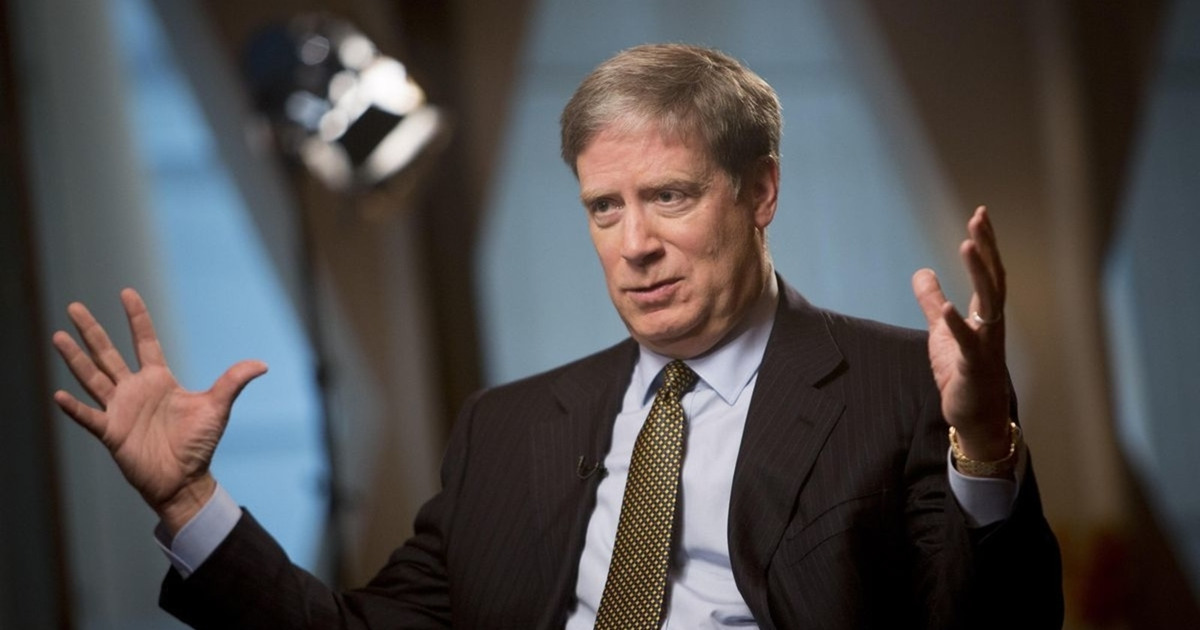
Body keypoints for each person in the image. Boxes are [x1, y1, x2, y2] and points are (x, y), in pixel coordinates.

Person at [52, 44, 1062, 628]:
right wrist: (188, 502)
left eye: (669, 196)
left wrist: (983, 447)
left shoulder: (900, 382)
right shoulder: (505, 429)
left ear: (761, 193)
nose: (635, 245)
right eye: (604, 208)